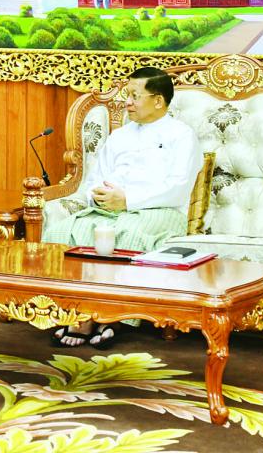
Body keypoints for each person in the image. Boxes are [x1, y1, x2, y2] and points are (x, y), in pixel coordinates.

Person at [42, 66, 201, 349]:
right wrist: (99, 196)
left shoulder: (181, 135)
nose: (127, 102)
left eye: (135, 96)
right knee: (62, 232)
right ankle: (78, 312)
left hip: (160, 212)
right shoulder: (120, 136)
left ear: (158, 100)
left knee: (127, 237)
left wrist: (128, 200)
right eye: (127, 95)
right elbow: (95, 178)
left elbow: (178, 187)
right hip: (110, 210)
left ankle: (112, 317)